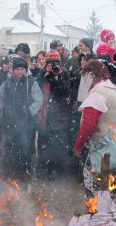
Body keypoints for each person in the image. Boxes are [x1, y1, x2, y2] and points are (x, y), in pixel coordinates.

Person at [74, 60, 116, 211]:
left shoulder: (97, 93)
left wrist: (78, 145)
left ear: (91, 75)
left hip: (104, 151)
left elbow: (89, 124)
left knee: (98, 188)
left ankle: (102, 219)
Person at [0, 56, 43, 187]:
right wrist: (4, 110)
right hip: (10, 120)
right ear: (12, 70)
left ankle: (26, 171)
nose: (19, 72)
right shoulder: (7, 82)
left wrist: (30, 111)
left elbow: (39, 99)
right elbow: (0, 97)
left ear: (26, 69)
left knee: (25, 146)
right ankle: (13, 171)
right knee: (11, 146)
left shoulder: (31, 81)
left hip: (25, 121)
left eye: (22, 69)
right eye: (17, 69)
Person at [37, 50, 72, 178]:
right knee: (44, 138)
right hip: (44, 111)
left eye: (56, 62)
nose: (53, 65)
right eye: (50, 62)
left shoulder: (64, 73)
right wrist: (45, 73)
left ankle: (56, 168)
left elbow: (65, 91)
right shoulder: (42, 73)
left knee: (57, 141)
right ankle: (44, 164)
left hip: (59, 112)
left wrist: (56, 77)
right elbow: (37, 87)